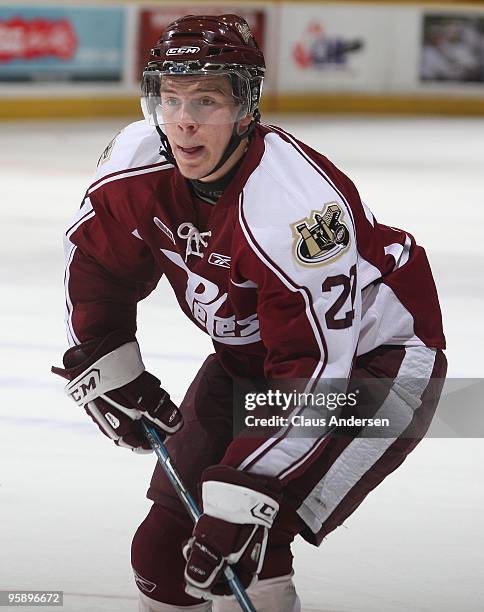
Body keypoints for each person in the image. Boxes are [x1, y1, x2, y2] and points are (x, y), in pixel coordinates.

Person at [52, 14, 447, 612]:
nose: (183, 119)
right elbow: (96, 265)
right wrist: (105, 355)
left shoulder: (294, 207)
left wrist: (245, 494)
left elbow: (314, 371)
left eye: (206, 100)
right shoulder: (136, 161)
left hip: (372, 366)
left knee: (250, 532)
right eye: (171, 97)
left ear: (245, 108)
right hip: (254, 359)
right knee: (164, 554)